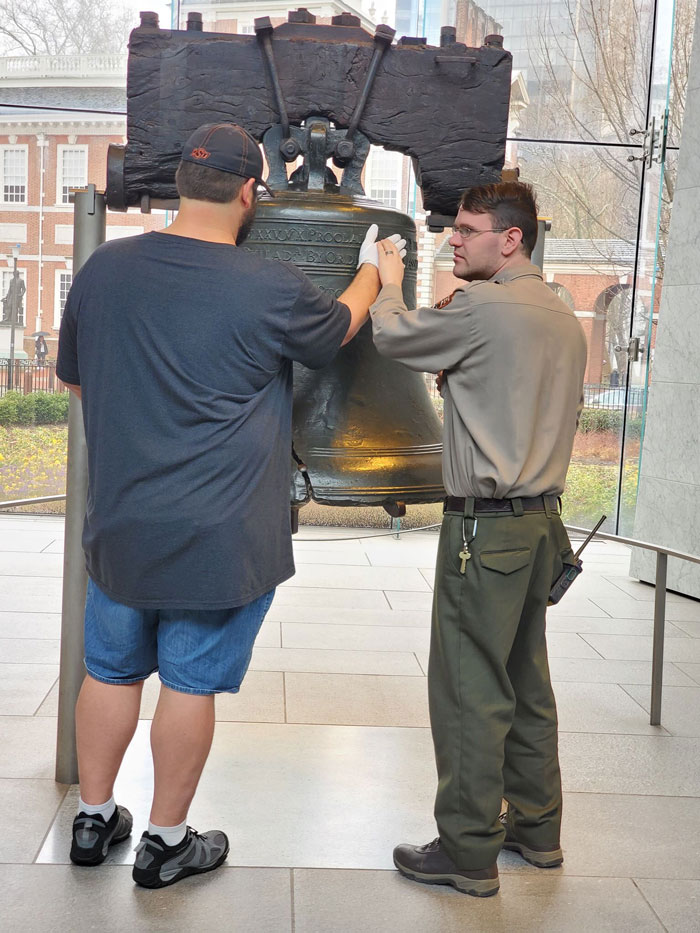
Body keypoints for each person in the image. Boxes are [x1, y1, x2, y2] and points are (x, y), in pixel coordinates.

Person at [56, 122, 402, 888]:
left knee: (109, 670)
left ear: (183, 182)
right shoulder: (268, 285)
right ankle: (166, 842)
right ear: (250, 191)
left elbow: (78, 382)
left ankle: (92, 818)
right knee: (188, 683)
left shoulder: (104, 270)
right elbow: (338, 328)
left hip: (122, 525)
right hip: (219, 532)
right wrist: (373, 271)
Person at [369, 181, 587, 897]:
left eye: (467, 229)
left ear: (511, 238)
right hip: (541, 526)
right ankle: (538, 831)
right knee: (527, 683)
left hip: (483, 530)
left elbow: (392, 337)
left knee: (469, 689)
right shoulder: (560, 312)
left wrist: (388, 281)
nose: (454, 240)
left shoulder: (481, 308)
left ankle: (466, 851)